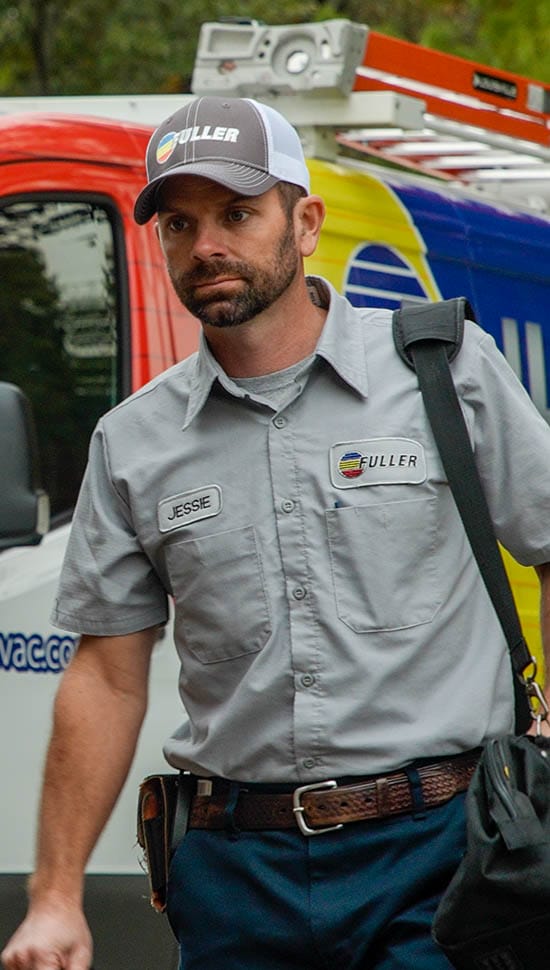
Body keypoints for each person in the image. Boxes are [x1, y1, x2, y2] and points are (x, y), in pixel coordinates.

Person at [3, 94, 550, 970]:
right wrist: (56, 897)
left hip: (441, 861)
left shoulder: (442, 370)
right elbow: (107, 677)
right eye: (179, 223)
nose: (207, 244)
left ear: (305, 223)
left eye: (237, 213)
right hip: (234, 878)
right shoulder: (133, 441)